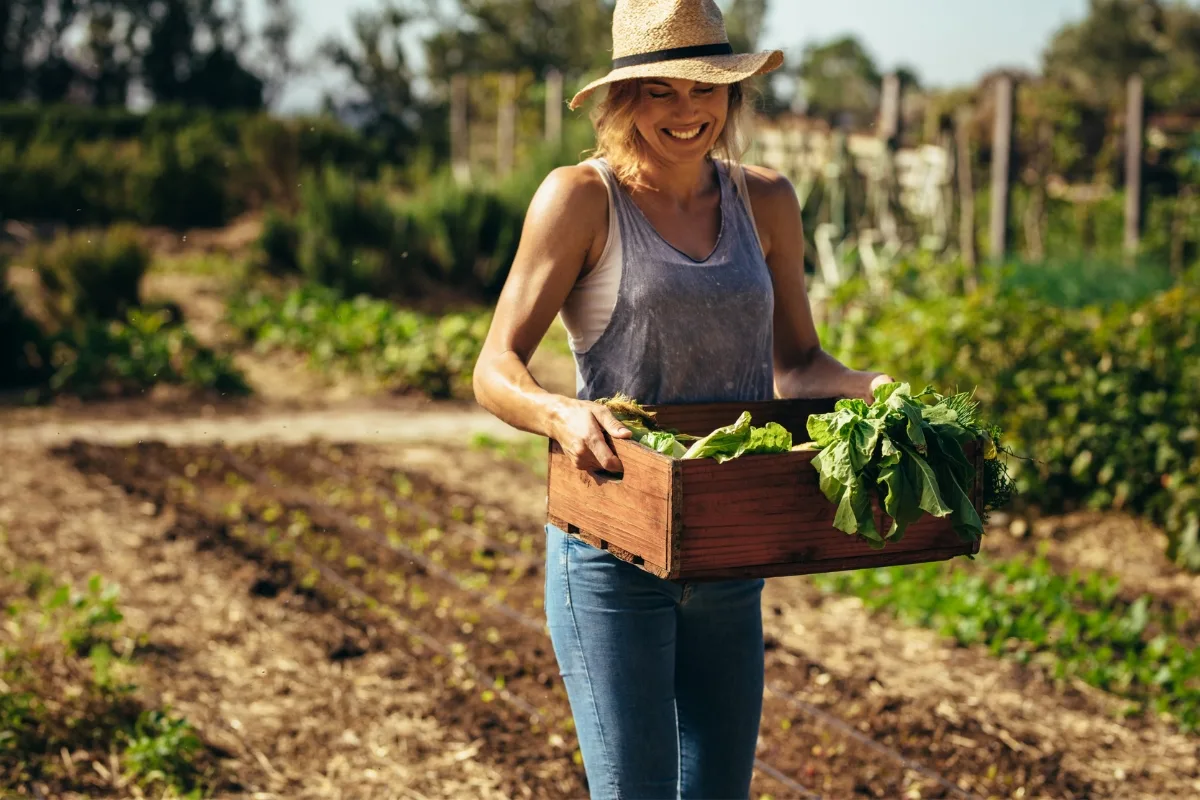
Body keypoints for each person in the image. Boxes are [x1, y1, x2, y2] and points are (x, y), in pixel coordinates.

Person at [473, 1, 893, 796]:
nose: (687, 111)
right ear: (621, 99)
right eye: (660, 91)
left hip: (728, 549)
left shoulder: (765, 202)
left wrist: (876, 389)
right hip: (611, 552)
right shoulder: (581, 200)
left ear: (732, 95)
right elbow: (494, 366)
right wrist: (560, 413)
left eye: (705, 89)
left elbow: (798, 365)